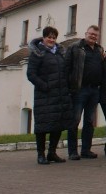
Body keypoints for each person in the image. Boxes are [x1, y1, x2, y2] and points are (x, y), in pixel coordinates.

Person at [26, 26, 73, 165]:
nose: (51, 40)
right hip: (44, 95)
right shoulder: (37, 53)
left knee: (58, 124)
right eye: (49, 37)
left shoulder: (59, 53)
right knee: (42, 126)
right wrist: (44, 86)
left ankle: (52, 152)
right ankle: (40, 154)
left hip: (60, 94)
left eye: (53, 37)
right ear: (44, 38)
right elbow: (31, 74)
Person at [67, 25, 103, 160]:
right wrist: (68, 88)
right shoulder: (75, 48)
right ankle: (72, 151)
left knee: (89, 121)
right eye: (91, 34)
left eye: (95, 35)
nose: (93, 36)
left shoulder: (99, 49)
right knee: (75, 120)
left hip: (94, 90)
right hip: (79, 89)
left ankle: (86, 150)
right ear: (86, 33)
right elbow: (67, 68)